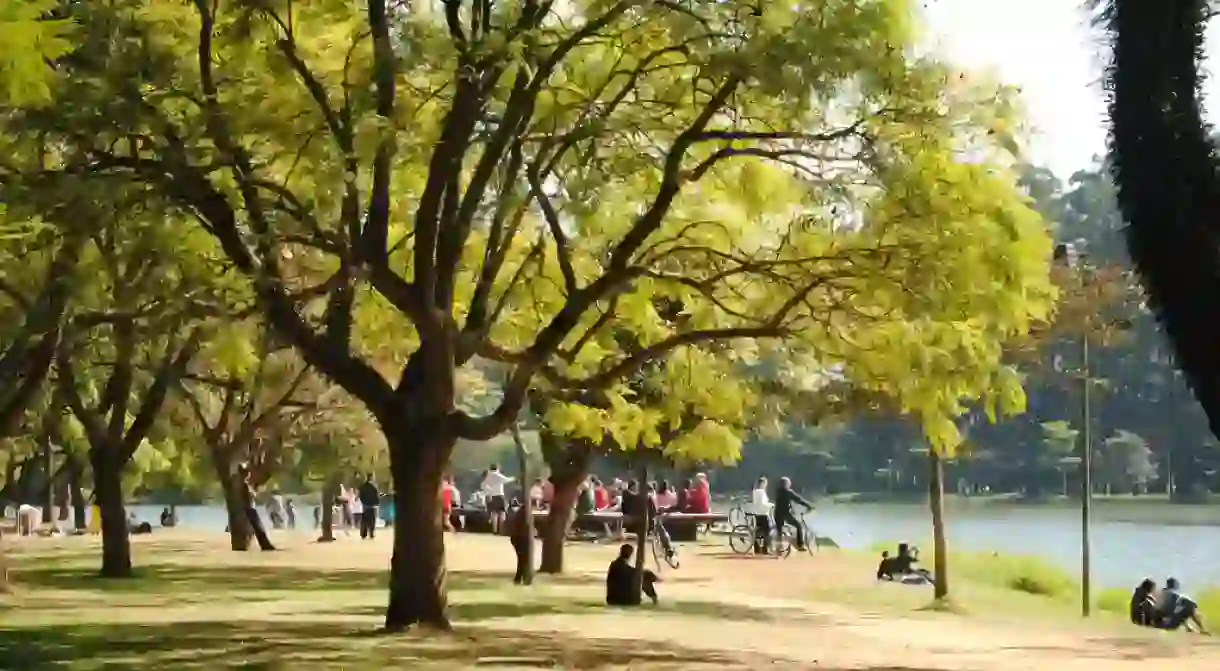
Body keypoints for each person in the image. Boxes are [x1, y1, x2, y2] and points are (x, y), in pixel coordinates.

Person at [238, 463, 276, 551]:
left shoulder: (245, 484)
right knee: (258, 528)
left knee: (257, 528)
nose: (249, 473)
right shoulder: (244, 485)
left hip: (250, 508)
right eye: (246, 472)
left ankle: (262, 545)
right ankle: (265, 546)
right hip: (250, 509)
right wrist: (256, 494)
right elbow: (250, 496)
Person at [774, 476, 813, 551]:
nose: (790, 484)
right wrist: (809, 506)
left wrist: (791, 508)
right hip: (785, 514)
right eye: (788, 483)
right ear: (786, 484)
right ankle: (800, 545)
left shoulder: (778, 491)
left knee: (779, 531)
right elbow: (798, 500)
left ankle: (778, 548)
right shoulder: (788, 492)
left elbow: (784, 502)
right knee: (798, 526)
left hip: (777, 514)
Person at [481, 464, 514, 534]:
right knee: (502, 513)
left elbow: (483, 485)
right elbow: (506, 480)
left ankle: (494, 530)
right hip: (500, 495)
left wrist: (489, 491)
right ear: (497, 469)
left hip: (493, 496)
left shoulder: (488, 476)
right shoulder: (498, 475)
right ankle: (501, 530)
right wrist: (513, 478)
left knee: (494, 513)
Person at [506, 502, 533, 584]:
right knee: (524, 558)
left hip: (516, 537)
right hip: (520, 537)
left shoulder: (520, 512)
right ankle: (524, 579)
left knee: (521, 559)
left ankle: (518, 578)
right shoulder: (525, 512)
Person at [748, 476, 772, 554]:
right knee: (767, 531)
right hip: (763, 514)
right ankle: (765, 548)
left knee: (758, 532)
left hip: (757, 513)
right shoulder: (761, 492)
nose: (765, 485)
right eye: (765, 484)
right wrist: (770, 505)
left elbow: (756, 503)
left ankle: (757, 548)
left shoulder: (755, 491)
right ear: (762, 484)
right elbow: (762, 504)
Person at [358, 474, 380, 539]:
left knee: (364, 519)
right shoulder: (374, 487)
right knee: (372, 520)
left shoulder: (362, 486)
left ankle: (363, 533)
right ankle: (371, 532)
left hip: (365, 505)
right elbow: (376, 496)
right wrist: (377, 503)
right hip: (371, 506)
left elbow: (360, 495)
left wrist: (362, 501)